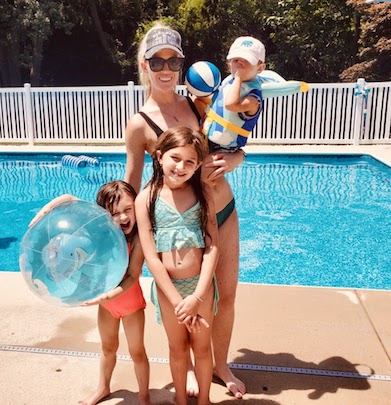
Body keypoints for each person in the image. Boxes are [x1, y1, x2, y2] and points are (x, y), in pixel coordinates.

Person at [124, 22, 247, 399]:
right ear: (144, 65)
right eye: (157, 61)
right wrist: (123, 239)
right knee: (189, 294)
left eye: (173, 61)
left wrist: (237, 158)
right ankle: (195, 367)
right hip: (184, 222)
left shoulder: (198, 102)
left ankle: (220, 364)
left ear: (181, 65)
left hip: (222, 210)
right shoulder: (139, 124)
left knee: (225, 295)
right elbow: (132, 184)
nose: (166, 69)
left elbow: (233, 140)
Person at [29, 182, 150, 405]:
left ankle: (144, 397)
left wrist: (107, 296)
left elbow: (132, 276)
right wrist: (44, 212)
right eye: (114, 213)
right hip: (107, 305)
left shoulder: (138, 239)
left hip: (129, 303)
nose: (122, 217)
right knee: (107, 348)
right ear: (103, 215)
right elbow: (68, 198)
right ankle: (102, 388)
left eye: (127, 210)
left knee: (137, 352)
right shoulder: (100, 234)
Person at [135, 126, 219, 405]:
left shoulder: (203, 193)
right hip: (169, 292)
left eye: (190, 162)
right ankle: (182, 401)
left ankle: (204, 400)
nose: (181, 166)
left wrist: (196, 297)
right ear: (159, 157)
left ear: (197, 167)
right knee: (178, 349)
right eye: (175, 158)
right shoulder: (146, 199)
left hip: (200, 288)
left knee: (202, 348)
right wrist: (177, 301)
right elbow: (151, 256)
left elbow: (212, 247)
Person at [201, 36, 265, 153]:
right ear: (229, 65)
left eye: (247, 60)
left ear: (260, 68)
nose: (240, 62)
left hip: (223, 149)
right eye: (236, 60)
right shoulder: (228, 83)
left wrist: (238, 79)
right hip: (206, 138)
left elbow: (230, 105)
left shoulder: (254, 99)